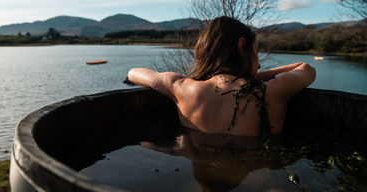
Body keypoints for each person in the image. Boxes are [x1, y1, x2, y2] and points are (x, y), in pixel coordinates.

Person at [127, 16, 316, 140]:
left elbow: (133, 73)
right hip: (258, 182)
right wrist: (255, 77)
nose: (258, 64)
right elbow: (305, 68)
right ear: (241, 46)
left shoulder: (182, 87)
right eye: (256, 53)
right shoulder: (272, 90)